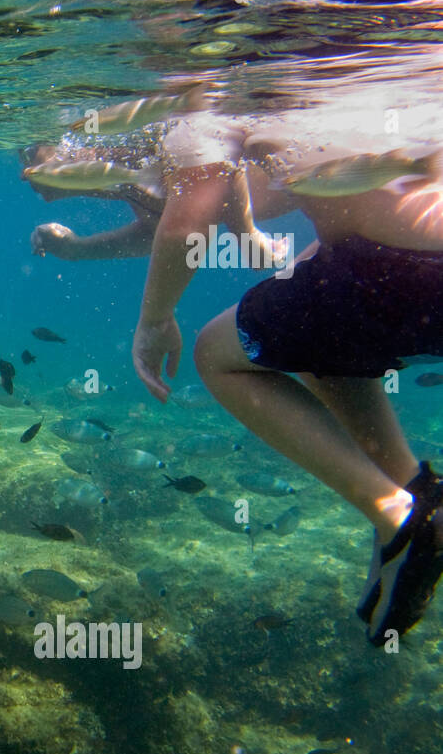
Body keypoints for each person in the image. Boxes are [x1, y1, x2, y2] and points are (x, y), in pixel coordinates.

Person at [125, 111, 443, 646]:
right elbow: (248, 198)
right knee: (302, 308)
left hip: (407, 276)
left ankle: (399, 519)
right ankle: (419, 495)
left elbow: (186, 224)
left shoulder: (205, 99)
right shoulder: (368, 86)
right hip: (409, 260)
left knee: (216, 354)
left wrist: (154, 320)